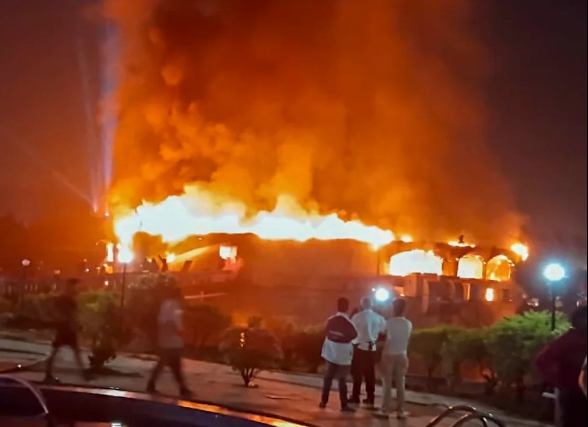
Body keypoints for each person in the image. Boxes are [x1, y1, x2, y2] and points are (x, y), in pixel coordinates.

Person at [534, 305, 587, 427]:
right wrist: (559, 381)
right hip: (573, 395)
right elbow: (542, 361)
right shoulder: (568, 341)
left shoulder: (568, 340)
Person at [146, 285, 192, 397]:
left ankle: (181, 388)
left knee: (166, 363)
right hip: (173, 338)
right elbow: (177, 320)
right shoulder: (175, 305)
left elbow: (160, 320)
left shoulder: (164, 304)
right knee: (174, 364)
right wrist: (181, 331)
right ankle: (182, 388)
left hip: (165, 337)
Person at [44, 278, 89, 382]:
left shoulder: (66, 299)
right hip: (66, 329)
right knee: (68, 351)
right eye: (75, 286)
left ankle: (48, 374)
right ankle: (84, 374)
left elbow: (58, 311)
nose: (77, 288)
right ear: (71, 286)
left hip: (66, 328)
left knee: (70, 351)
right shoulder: (66, 299)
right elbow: (70, 314)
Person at [374, 298, 412, 420]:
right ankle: (401, 411)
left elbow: (381, 334)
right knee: (401, 384)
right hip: (402, 354)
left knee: (387, 384)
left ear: (393, 308)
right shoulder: (408, 324)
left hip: (388, 354)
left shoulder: (388, 323)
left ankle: (385, 410)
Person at [319, 297, 358, 412]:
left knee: (328, 377)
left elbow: (326, 332)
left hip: (330, 353)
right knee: (342, 380)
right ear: (347, 308)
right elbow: (354, 335)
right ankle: (344, 405)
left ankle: (323, 401)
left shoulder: (331, 320)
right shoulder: (349, 323)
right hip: (343, 355)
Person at [349, 297, 386, 407]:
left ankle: (355, 396)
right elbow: (383, 331)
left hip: (359, 347)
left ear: (362, 305)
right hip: (372, 347)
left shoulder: (357, 317)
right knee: (370, 374)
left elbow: (351, 329)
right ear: (372, 305)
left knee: (357, 374)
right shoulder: (379, 317)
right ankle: (370, 397)